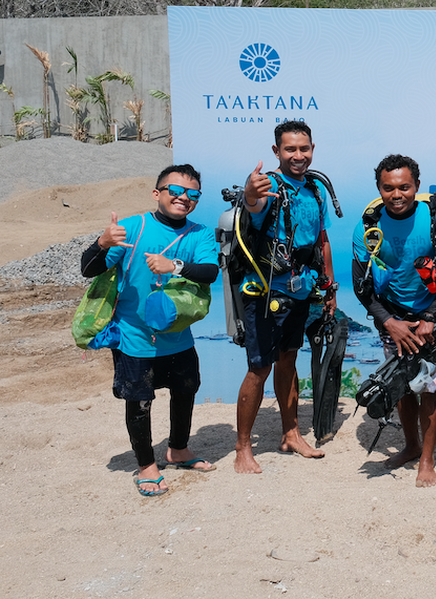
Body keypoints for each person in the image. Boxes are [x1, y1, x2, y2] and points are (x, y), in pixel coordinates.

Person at [80, 164, 220, 497]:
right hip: (134, 338)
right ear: (157, 193)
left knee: (186, 390)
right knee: (139, 400)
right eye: (175, 190)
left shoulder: (200, 234)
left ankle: (178, 449)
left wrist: (175, 266)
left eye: (193, 194)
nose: (184, 198)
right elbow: (88, 268)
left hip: (179, 337)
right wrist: (101, 242)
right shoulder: (132, 227)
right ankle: (146, 465)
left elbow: (210, 272)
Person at [351, 154, 436, 488]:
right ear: (379, 188)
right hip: (393, 319)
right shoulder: (367, 227)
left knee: (428, 387)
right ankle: (411, 446)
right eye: (388, 188)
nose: (396, 194)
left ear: (416, 185)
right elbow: (362, 287)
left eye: (404, 187)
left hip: (431, 316)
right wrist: (389, 322)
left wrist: (430, 317)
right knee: (400, 386)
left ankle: (427, 459)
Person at [234, 121, 336, 474]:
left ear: (312, 149)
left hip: (303, 291)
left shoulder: (315, 190)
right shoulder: (270, 187)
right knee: (259, 369)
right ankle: (242, 447)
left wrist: (329, 289)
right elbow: (254, 203)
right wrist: (250, 192)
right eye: (290, 149)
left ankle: (290, 433)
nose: (298, 155)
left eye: (304, 148)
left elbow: (322, 240)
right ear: (276, 152)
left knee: (288, 362)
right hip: (265, 294)